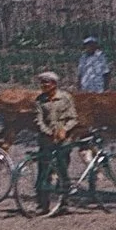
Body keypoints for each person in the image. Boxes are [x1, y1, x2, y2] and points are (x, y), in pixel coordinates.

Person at [33, 71, 78, 209]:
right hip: (46, 140)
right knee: (44, 170)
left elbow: (73, 118)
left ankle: (64, 200)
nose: (44, 85)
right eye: (42, 83)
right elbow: (38, 120)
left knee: (62, 168)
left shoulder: (65, 98)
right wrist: (48, 132)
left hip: (63, 140)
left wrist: (64, 129)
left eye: (47, 83)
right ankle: (42, 202)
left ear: (54, 84)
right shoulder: (40, 100)